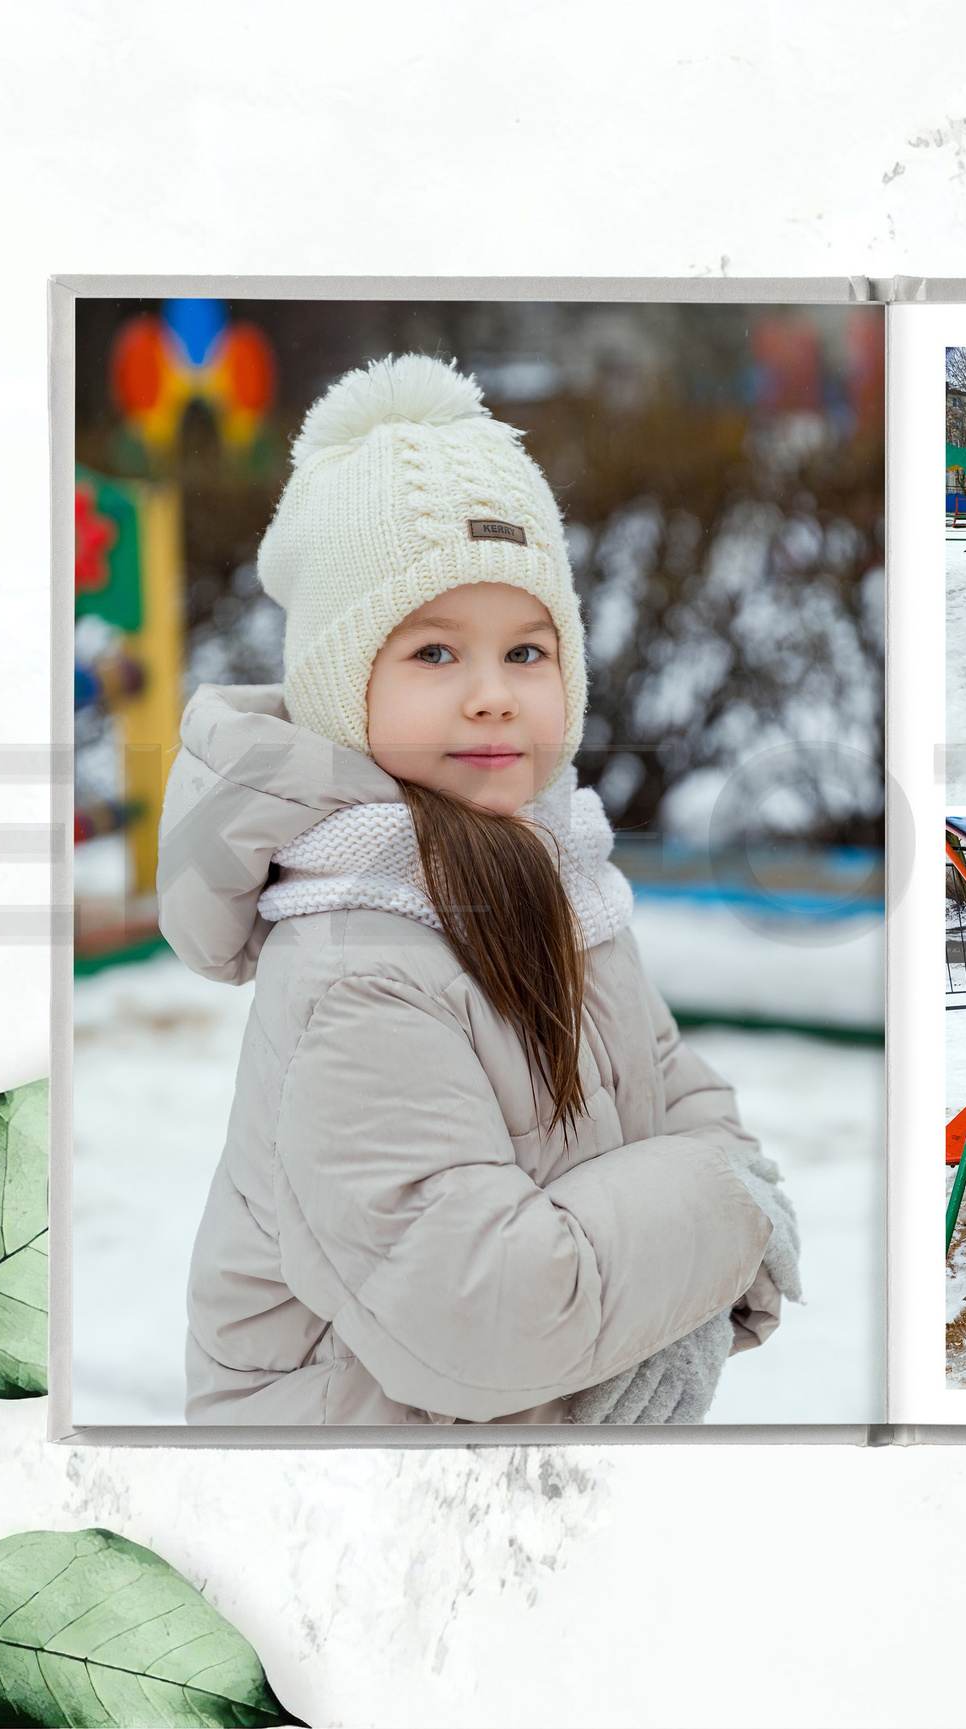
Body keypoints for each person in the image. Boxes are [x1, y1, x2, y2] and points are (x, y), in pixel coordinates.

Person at [159, 353, 797, 1427]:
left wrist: (698, 1234)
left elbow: (673, 1089)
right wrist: (731, 1221)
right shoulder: (358, 958)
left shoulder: (551, 871)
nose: (494, 697)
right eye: (436, 651)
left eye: (528, 650)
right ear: (340, 687)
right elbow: (482, 1316)